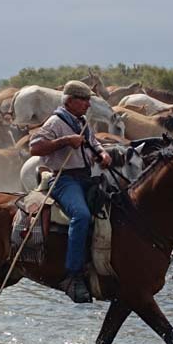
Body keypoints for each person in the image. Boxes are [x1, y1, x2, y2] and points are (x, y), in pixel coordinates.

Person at [29, 80, 112, 303]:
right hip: (64, 180)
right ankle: (72, 275)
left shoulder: (82, 122)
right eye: (84, 100)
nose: (88, 104)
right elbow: (35, 147)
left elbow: (94, 144)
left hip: (86, 178)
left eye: (88, 100)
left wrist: (103, 154)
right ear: (70, 101)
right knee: (81, 215)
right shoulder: (55, 122)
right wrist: (65, 141)